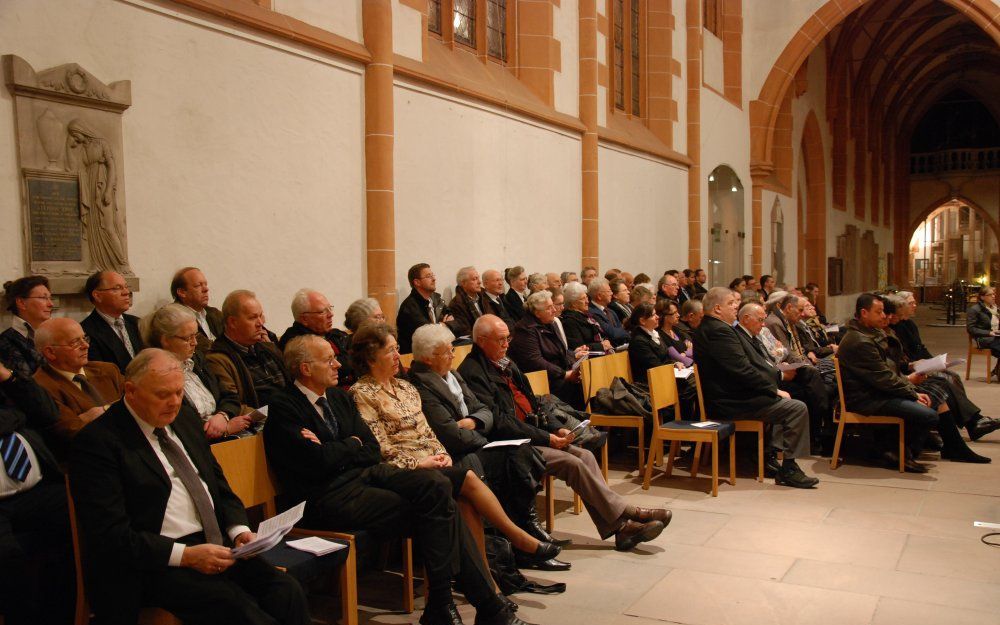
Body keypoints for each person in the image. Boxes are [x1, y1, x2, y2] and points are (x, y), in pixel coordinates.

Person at [263, 335, 531, 625]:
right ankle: (466, 607)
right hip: (327, 496)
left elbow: (370, 449)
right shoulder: (284, 406)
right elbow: (318, 462)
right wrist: (350, 444)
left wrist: (341, 446)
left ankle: (447, 607)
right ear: (305, 368)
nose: (337, 364)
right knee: (442, 509)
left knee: (438, 486)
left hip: (365, 477)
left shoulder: (337, 398)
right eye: (328, 360)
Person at [70, 349, 310, 625]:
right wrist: (186, 556)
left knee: (285, 591)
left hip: (214, 544)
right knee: (238, 608)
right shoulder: (99, 443)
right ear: (131, 391)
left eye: (179, 392)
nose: (174, 402)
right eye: (162, 395)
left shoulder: (184, 419)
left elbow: (218, 485)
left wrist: (239, 530)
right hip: (153, 561)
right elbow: (111, 535)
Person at [347, 322, 561, 565]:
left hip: (436, 458)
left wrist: (439, 453)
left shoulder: (405, 387)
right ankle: (515, 542)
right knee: (468, 476)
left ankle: (494, 564)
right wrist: (421, 462)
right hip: (404, 468)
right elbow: (380, 446)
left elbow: (428, 431)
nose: (398, 356)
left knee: (493, 473)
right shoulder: (361, 392)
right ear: (371, 358)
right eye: (390, 351)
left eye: (398, 349)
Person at [460, 315, 670, 552]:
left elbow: (534, 404)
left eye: (508, 338)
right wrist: (546, 437)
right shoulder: (472, 372)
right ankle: (628, 516)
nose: (506, 344)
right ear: (481, 340)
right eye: (500, 340)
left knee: (586, 456)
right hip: (509, 445)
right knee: (572, 463)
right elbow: (500, 422)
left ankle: (622, 528)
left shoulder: (506, 363)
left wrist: (554, 428)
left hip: (533, 434)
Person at [407, 324, 557, 565]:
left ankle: (525, 529)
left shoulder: (452, 375)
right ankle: (512, 543)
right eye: (447, 352)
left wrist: (474, 422)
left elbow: (484, 410)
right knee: (511, 459)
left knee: (520, 453)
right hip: (456, 452)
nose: (453, 355)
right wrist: (481, 433)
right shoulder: (421, 384)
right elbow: (450, 434)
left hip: (474, 443)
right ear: (427, 358)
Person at [692, 288, 817, 488]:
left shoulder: (716, 327)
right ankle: (790, 468)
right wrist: (772, 389)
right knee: (796, 408)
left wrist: (771, 387)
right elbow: (741, 370)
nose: (736, 307)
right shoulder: (718, 331)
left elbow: (747, 365)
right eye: (731, 303)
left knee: (787, 401)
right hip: (730, 401)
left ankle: (770, 457)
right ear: (717, 308)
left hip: (733, 395)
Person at [0, 361, 74, 625]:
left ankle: (76, 610)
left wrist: (7, 377)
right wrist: (16, 416)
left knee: (92, 515)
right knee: (9, 563)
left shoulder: (6, 383)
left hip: (38, 489)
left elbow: (47, 412)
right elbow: (14, 417)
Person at [837, 293, 940, 472]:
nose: (884, 316)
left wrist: (911, 389)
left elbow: (888, 371)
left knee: (933, 401)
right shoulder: (860, 341)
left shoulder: (868, 333)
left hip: (877, 392)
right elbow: (883, 377)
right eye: (879, 312)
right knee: (928, 415)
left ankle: (897, 449)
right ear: (864, 313)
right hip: (866, 399)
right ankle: (897, 452)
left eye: (883, 311)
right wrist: (912, 392)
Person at [889, 291, 999, 441]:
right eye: (911, 303)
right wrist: (918, 366)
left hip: (916, 366)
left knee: (951, 376)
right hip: (910, 371)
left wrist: (935, 362)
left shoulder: (908, 324)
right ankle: (971, 422)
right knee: (945, 380)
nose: (915, 305)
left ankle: (970, 421)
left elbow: (919, 348)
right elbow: (899, 360)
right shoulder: (894, 329)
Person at [147, 304, 251, 441]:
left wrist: (223, 415)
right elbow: (176, 423)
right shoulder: (156, 374)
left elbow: (229, 395)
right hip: (198, 441)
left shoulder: (197, 359)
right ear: (165, 340)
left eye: (195, 336)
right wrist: (223, 429)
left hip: (226, 427)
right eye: (187, 338)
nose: (195, 343)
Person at [33, 317, 124, 443]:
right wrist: (119, 407)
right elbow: (71, 430)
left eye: (85, 338)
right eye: (75, 342)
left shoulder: (108, 370)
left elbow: (138, 402)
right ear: (50, 352)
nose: (86, 345)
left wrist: (102, 410)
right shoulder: (40, 387)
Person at [206, 290, 290, 415]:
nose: (261, 323)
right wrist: (273, 416)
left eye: (260, 316)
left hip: (291, 412)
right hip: (265, 422)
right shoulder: (218, 359)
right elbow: (233, 404)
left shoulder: (267, 347)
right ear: (232, 322)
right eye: (252, 318)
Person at [66, 118, 128, 271]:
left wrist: (108, 190)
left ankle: (122, 263)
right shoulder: (82, 149)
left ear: (82, 130)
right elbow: (71, 167)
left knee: (107, 226)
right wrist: (69, 146)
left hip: (102, 184)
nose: (74, 137)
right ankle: (97, 263)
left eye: (75, 134)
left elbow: (112, 167)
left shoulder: (101, 143)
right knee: (93, 227)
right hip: (89, 186)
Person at [508, 291, 586, 410]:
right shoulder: (525, 330)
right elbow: (534, 361)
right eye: (549, 308)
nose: (554, 310)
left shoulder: (550, 323)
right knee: (578, 387)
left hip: (556, 374)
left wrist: (573, 356)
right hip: (543, 380)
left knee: (586, 380)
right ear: (537, 313)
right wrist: (564, 374)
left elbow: (558, 351)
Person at [279, 289, 353, 386]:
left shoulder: (332, 334)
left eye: (330, 308)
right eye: (322, 311)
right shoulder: (295, 342)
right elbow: (343, 367)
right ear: (304, 318)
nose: (331, 314)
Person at [80, 270, 144, 373]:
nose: (126, 292)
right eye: (117, 288)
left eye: (126, 287)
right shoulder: (85, 331)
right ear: (97, 296)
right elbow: (100, 375)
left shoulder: (137, 323)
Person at [0, 275, 53, 377]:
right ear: (21, 303)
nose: (50, 304)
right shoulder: (5, 342)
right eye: (43, 298)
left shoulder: (54, 331)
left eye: (50, 298)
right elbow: (25, 384)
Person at [396, 263, 453, 354]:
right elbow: (427, 334)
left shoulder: (437, 300)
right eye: (428, 276)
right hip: (416, 356)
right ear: (417, 282)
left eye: (433, 275)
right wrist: (442, 325)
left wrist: (444, 326)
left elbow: (457, 323)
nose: (434, 279)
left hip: (437, 351)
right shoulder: (409, 307)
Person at [170, 267, 223, 353]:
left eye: (205, 284)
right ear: (182, 292)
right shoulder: (174, 317)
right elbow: (205, 349)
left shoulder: (214, 313)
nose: (206, 289)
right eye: (198, 285)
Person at [560, 282, 610, 353]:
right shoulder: (569, 321)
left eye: (586, 297)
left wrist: (606, 342)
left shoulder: (588, 316)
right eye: (583, 299)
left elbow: (602, 333)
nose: (587, 301)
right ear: (573, 303)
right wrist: (600, 346)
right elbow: (578, 347)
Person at [967, 286, 1000, 380]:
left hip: (996, 337)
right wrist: (989, 333)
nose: (993, 296)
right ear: (982, 297)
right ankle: (997, 370)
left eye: (994, 294)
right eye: (990, 295)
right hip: (983, 339)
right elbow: (971, 329)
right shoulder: (975, 309)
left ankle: (997, 370)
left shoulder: (996, 309)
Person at [587, 278, 629, 347]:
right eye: (609, 291)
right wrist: (627, 332)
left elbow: (621, 331)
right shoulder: (591, 312)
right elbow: (611, 333)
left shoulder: (611, 311)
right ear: (599, 296)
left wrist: (625, 332)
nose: (612, 293)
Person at [448, 267, 485, 339]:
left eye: (478, 278)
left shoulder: (485, 296)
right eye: (474, 279)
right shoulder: (456, 304)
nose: (479, 282)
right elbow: (465, 331)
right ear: (463, 283)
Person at [655, 299, 694, 367]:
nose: (678, 315)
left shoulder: (676, 329)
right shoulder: (660, 335)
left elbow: (693, 350)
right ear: (665, 316)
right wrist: (688, 351)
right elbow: (681, 359)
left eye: (677, 312)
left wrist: (684, 354)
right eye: (674, 313)